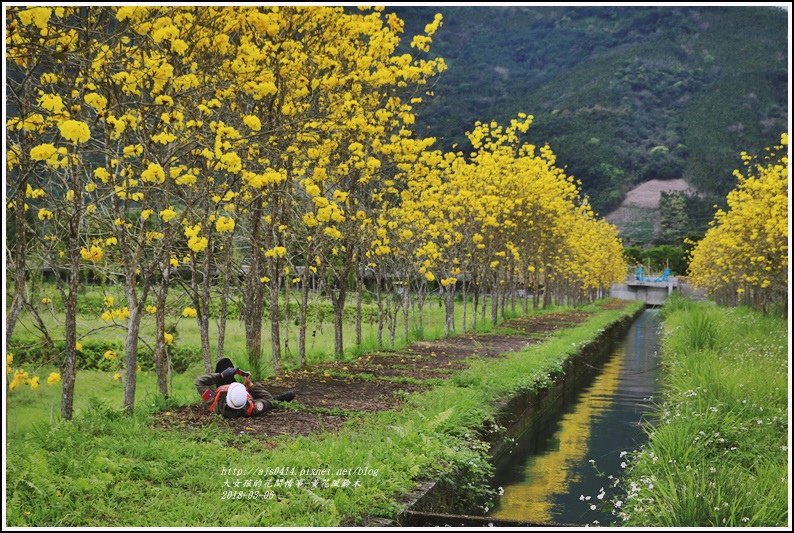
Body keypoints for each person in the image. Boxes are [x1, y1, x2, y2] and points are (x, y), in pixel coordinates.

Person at [195, 357, 295, 419]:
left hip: (230, 393)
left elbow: (200, 382)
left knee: (224, 363)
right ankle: (277, 398)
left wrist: (221, 375)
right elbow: (268, 399)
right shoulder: (250, 408)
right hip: (247, 397)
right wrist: (250, 385)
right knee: (271, 401)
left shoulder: (215, 402)